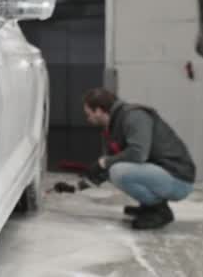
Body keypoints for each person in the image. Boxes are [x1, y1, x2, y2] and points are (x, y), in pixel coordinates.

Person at [82, 88, 196, 230]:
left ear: (99, 110)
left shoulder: (134, 116)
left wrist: (104, 162)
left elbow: (138, 154)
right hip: (163, 174)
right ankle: (148, 206)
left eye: (89, 114)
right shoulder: (115, 124)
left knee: (118, 170)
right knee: (113, 168)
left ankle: (159, 211)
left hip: (179, 178)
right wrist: (82, 183)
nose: (88, 119)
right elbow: (113, 162)